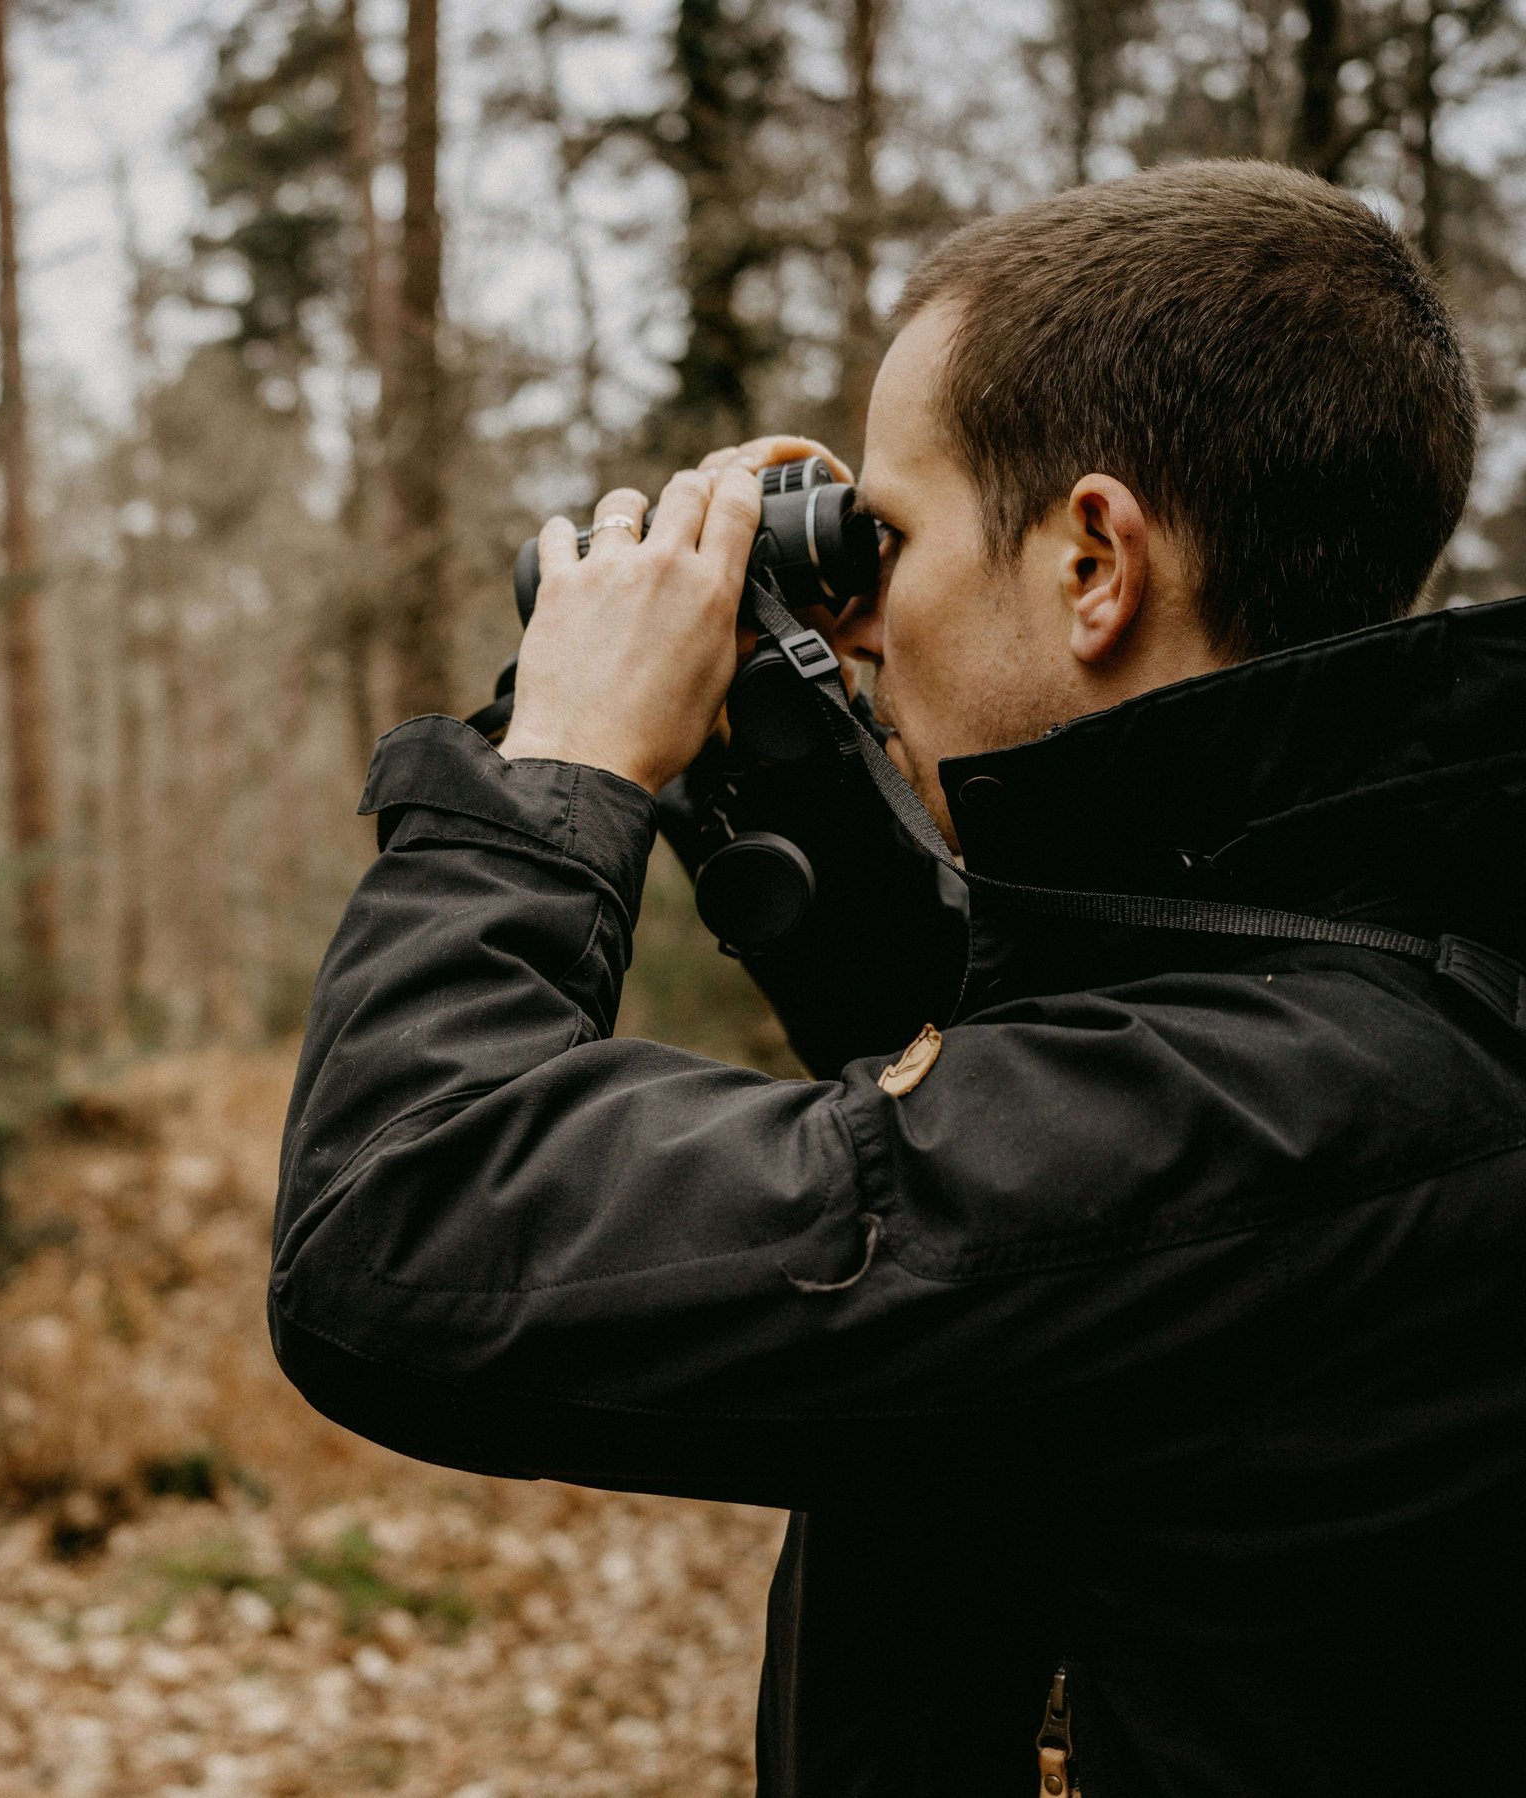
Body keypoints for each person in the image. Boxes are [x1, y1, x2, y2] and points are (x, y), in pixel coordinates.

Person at [269, 159, 1526, 1795]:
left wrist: (562, 763)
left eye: (899, 536)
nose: (866, 618)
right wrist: (764, 737)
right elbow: (1012, 1072)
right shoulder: (1366, 983)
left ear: (1096, 561)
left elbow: (395, 1221)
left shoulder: (1285, 1116)